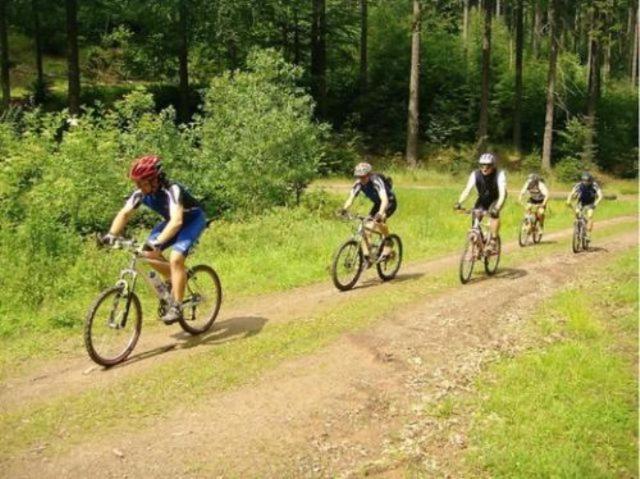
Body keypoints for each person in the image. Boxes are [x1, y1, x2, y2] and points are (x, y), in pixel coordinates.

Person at [103, 155, 208, 324]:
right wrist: (111, 235)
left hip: (192, 220)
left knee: (176, 258)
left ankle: (177, 306)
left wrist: (158, 243)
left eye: (142, 182)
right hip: (171, 222)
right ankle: (174, 280)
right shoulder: (140, 194)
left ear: (155, 179)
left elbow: (177, 221)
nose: (139, 187)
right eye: (137, 183)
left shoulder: (172, 190)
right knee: (145, 253)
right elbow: (124, 213)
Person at [341, 162, 397, 265]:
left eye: (363, 177)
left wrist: (380, 213)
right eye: (358, 177)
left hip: (389, 202)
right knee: (366, 230)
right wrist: (344, 210)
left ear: (369, 174)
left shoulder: (376, 181)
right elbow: (350, 199)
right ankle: (368, 257)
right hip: (377, 203)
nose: (361, 179)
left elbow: (384, 199)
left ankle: (389, 241)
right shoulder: (358, 184)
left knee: (379, 221)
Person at [454, 152, 507, 252]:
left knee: (494, 215)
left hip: (497, 198)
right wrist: (459, 202)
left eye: (488, 165)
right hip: (483, 199)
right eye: (482, 165)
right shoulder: (475, 174)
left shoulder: (500, 175)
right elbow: (467, 190)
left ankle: (493, 241)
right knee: (475, 218)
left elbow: (503, 193)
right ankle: (479, 242)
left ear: (493, 165)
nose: (485, 168)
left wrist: (498, 206)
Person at [566, 172, 603, 240]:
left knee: (590, 215)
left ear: (590, 180)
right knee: (577, 213)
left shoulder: (594, 185)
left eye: (587, 181)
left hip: (590, 202)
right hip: (581, 202)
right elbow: (572, 193)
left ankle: (588, 234)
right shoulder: (579, 185)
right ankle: (578, 226)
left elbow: (600, 196)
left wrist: (596, 203)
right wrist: (568, 200)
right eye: (584, 180)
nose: (585, 182)